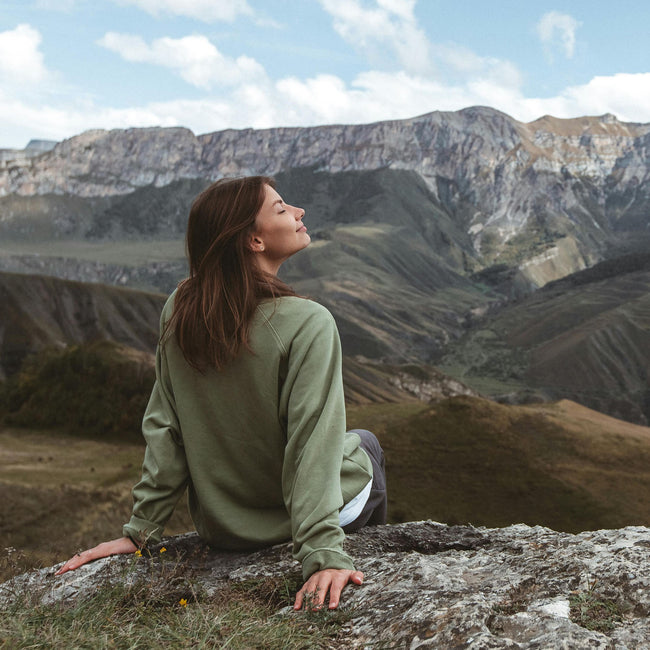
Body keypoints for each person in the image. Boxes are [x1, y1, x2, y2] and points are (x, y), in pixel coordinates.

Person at [55, 176, 387, 611]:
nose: (300, 212)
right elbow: (313, 441)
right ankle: (367, 552)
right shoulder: (310, 323)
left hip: (225, 529)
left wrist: (142, 529)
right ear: (253, 239)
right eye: (283, 208)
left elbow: (165, 426)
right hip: (301, 525)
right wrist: (322, 553)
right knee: (368, 447)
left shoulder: (181, 307)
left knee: (357, 440)